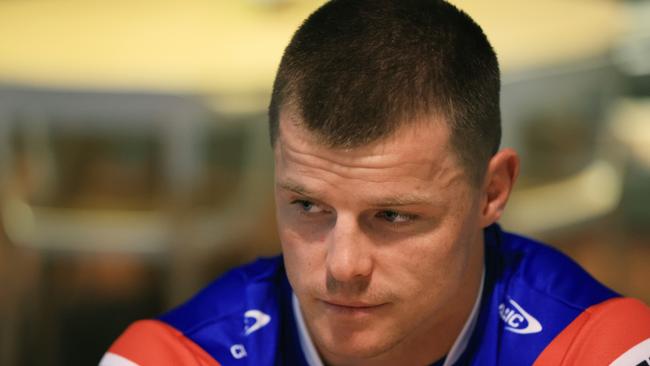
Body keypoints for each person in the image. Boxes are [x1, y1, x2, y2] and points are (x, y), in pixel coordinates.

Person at [100, 0, 650, 365]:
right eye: (307, 205)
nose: (342, 267)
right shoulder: (173, 356)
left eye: (392, 216)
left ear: (492, 192)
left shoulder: (599, 351)